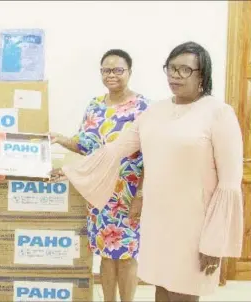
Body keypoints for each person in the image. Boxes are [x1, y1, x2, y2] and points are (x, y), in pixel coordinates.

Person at [49, 41, 243, 302]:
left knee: (183, 292)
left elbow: (230, 183)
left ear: (202, 75)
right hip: (156, 220)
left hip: (194, 224)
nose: (175, 75)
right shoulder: (155, 111)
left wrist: (214, 241)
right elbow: (115, 150)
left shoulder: (219, 113)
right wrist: (70, 171)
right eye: (171, 68)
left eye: (185, 69)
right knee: (161, 290)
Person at [51, 49, 148, 302]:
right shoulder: (94, 105)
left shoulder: (142, 107)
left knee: (126, 253)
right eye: (106, 70)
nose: (112, 75)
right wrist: (60, 139)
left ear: (129, 71)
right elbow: (85, 146)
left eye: (118, 70)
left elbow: (151, 154)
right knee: (106, 251)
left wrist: (141, 194)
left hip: (128, 192)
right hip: (99, 190)